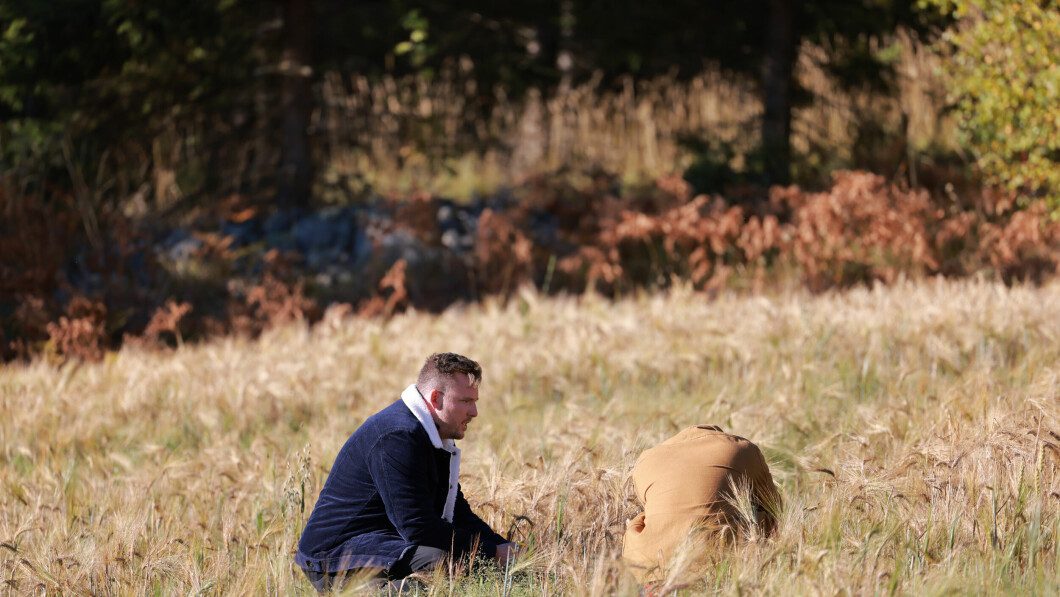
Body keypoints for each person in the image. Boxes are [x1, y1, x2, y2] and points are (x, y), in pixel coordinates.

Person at [295, 352, 519, 592]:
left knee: (462, 561)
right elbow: (417, 527)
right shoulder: (397, 437)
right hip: (332, 558)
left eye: (475, 401)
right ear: (436, 398)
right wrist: (491, 552)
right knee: (444, 563)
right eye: (465, 401)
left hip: (377, 542)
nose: (474, 412)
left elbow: (456, 513)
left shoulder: (429, 435)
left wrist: (503, 548)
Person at [622, 425, 782, 582]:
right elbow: (774, 506)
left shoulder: (647, 458)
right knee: (770, 521)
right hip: (723, 561)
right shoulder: (743, 449)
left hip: (653, 565)